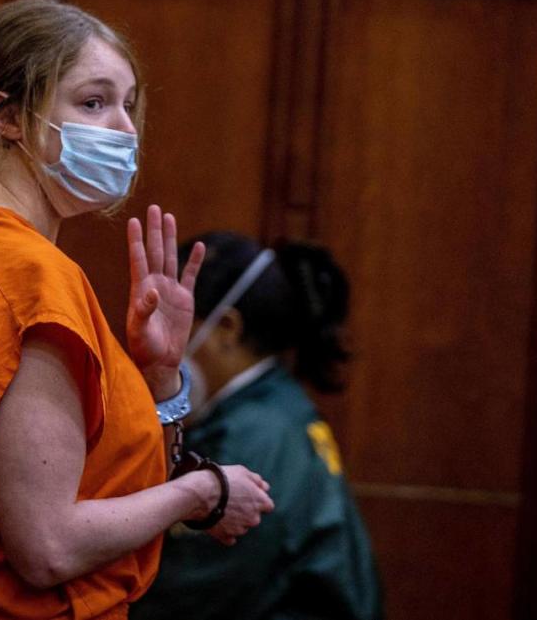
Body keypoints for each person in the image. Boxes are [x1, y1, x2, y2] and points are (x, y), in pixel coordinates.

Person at [0, 0, 274, 620]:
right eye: (94, 102)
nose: (125, 127)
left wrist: (158, 379)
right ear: (10, 117)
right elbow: (47, 546)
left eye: (128, 103)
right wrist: (203, 492)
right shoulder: (28, 273)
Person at [131, 232, 384, 620]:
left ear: (228, 328)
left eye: (173, 324)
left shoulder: (252, 435)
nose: (155, 343)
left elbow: (183, 592)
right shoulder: (275, 406)